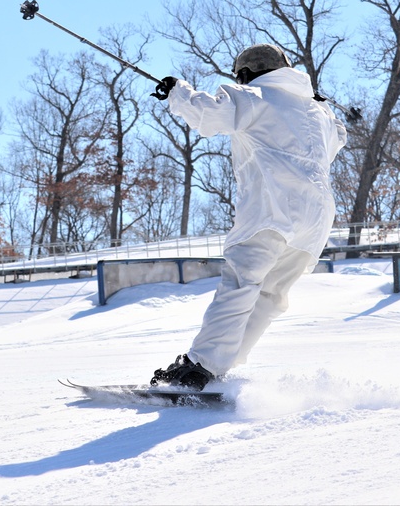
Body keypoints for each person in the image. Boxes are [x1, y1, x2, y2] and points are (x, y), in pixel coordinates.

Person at [148, 43, 347, 391]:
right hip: (316, 221)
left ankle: (201, 366)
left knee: (241, 284)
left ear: (245, 74)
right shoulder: (319, 115)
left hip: (272, 209)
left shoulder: (253, 96)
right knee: (270, 295)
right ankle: (219, 366)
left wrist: (177, 93)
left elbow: (208, 116)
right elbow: (339, 135)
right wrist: (321, 103)